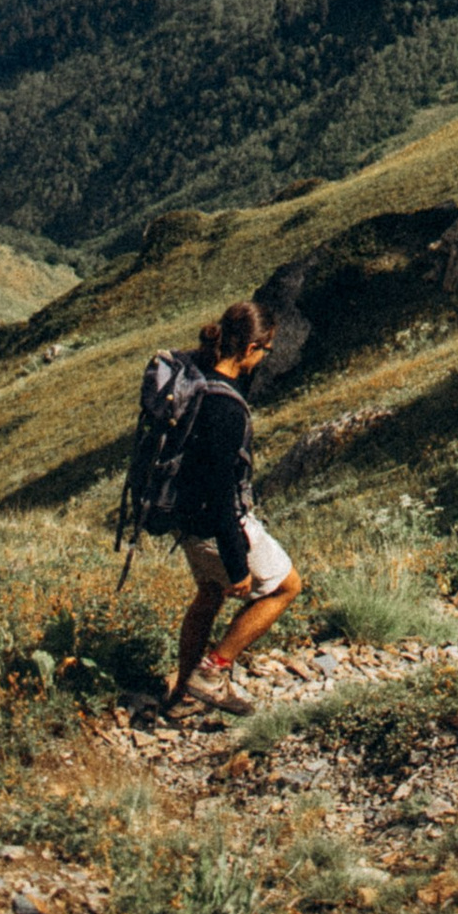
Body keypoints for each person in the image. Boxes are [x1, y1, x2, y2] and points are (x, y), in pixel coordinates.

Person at [164, 298, 302, 712]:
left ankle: (180, 695)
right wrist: (237, 561)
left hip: (184, 520)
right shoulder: (225, 409)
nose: (264, 358)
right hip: (216, 524)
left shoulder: (195, 379)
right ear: (249, 348)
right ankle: (212, 671)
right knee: (286, 587)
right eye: (267, 349)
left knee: (208, 594)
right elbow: (222, 492)